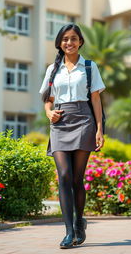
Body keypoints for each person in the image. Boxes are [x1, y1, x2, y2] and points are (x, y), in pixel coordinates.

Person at [39, 24, 105, 249]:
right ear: (59, 43)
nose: (69, 42)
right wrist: (49, 113)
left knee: (77, 179)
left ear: (80, 42)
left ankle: (79, 222)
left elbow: (95, 99)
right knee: (64, 175)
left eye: (74, 38)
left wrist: (99, 129)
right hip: (59, 123)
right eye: (65, 39)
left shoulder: (89, 66)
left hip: (83, 120)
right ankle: (69, 232)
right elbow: (48, 99)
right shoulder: (52, 69)